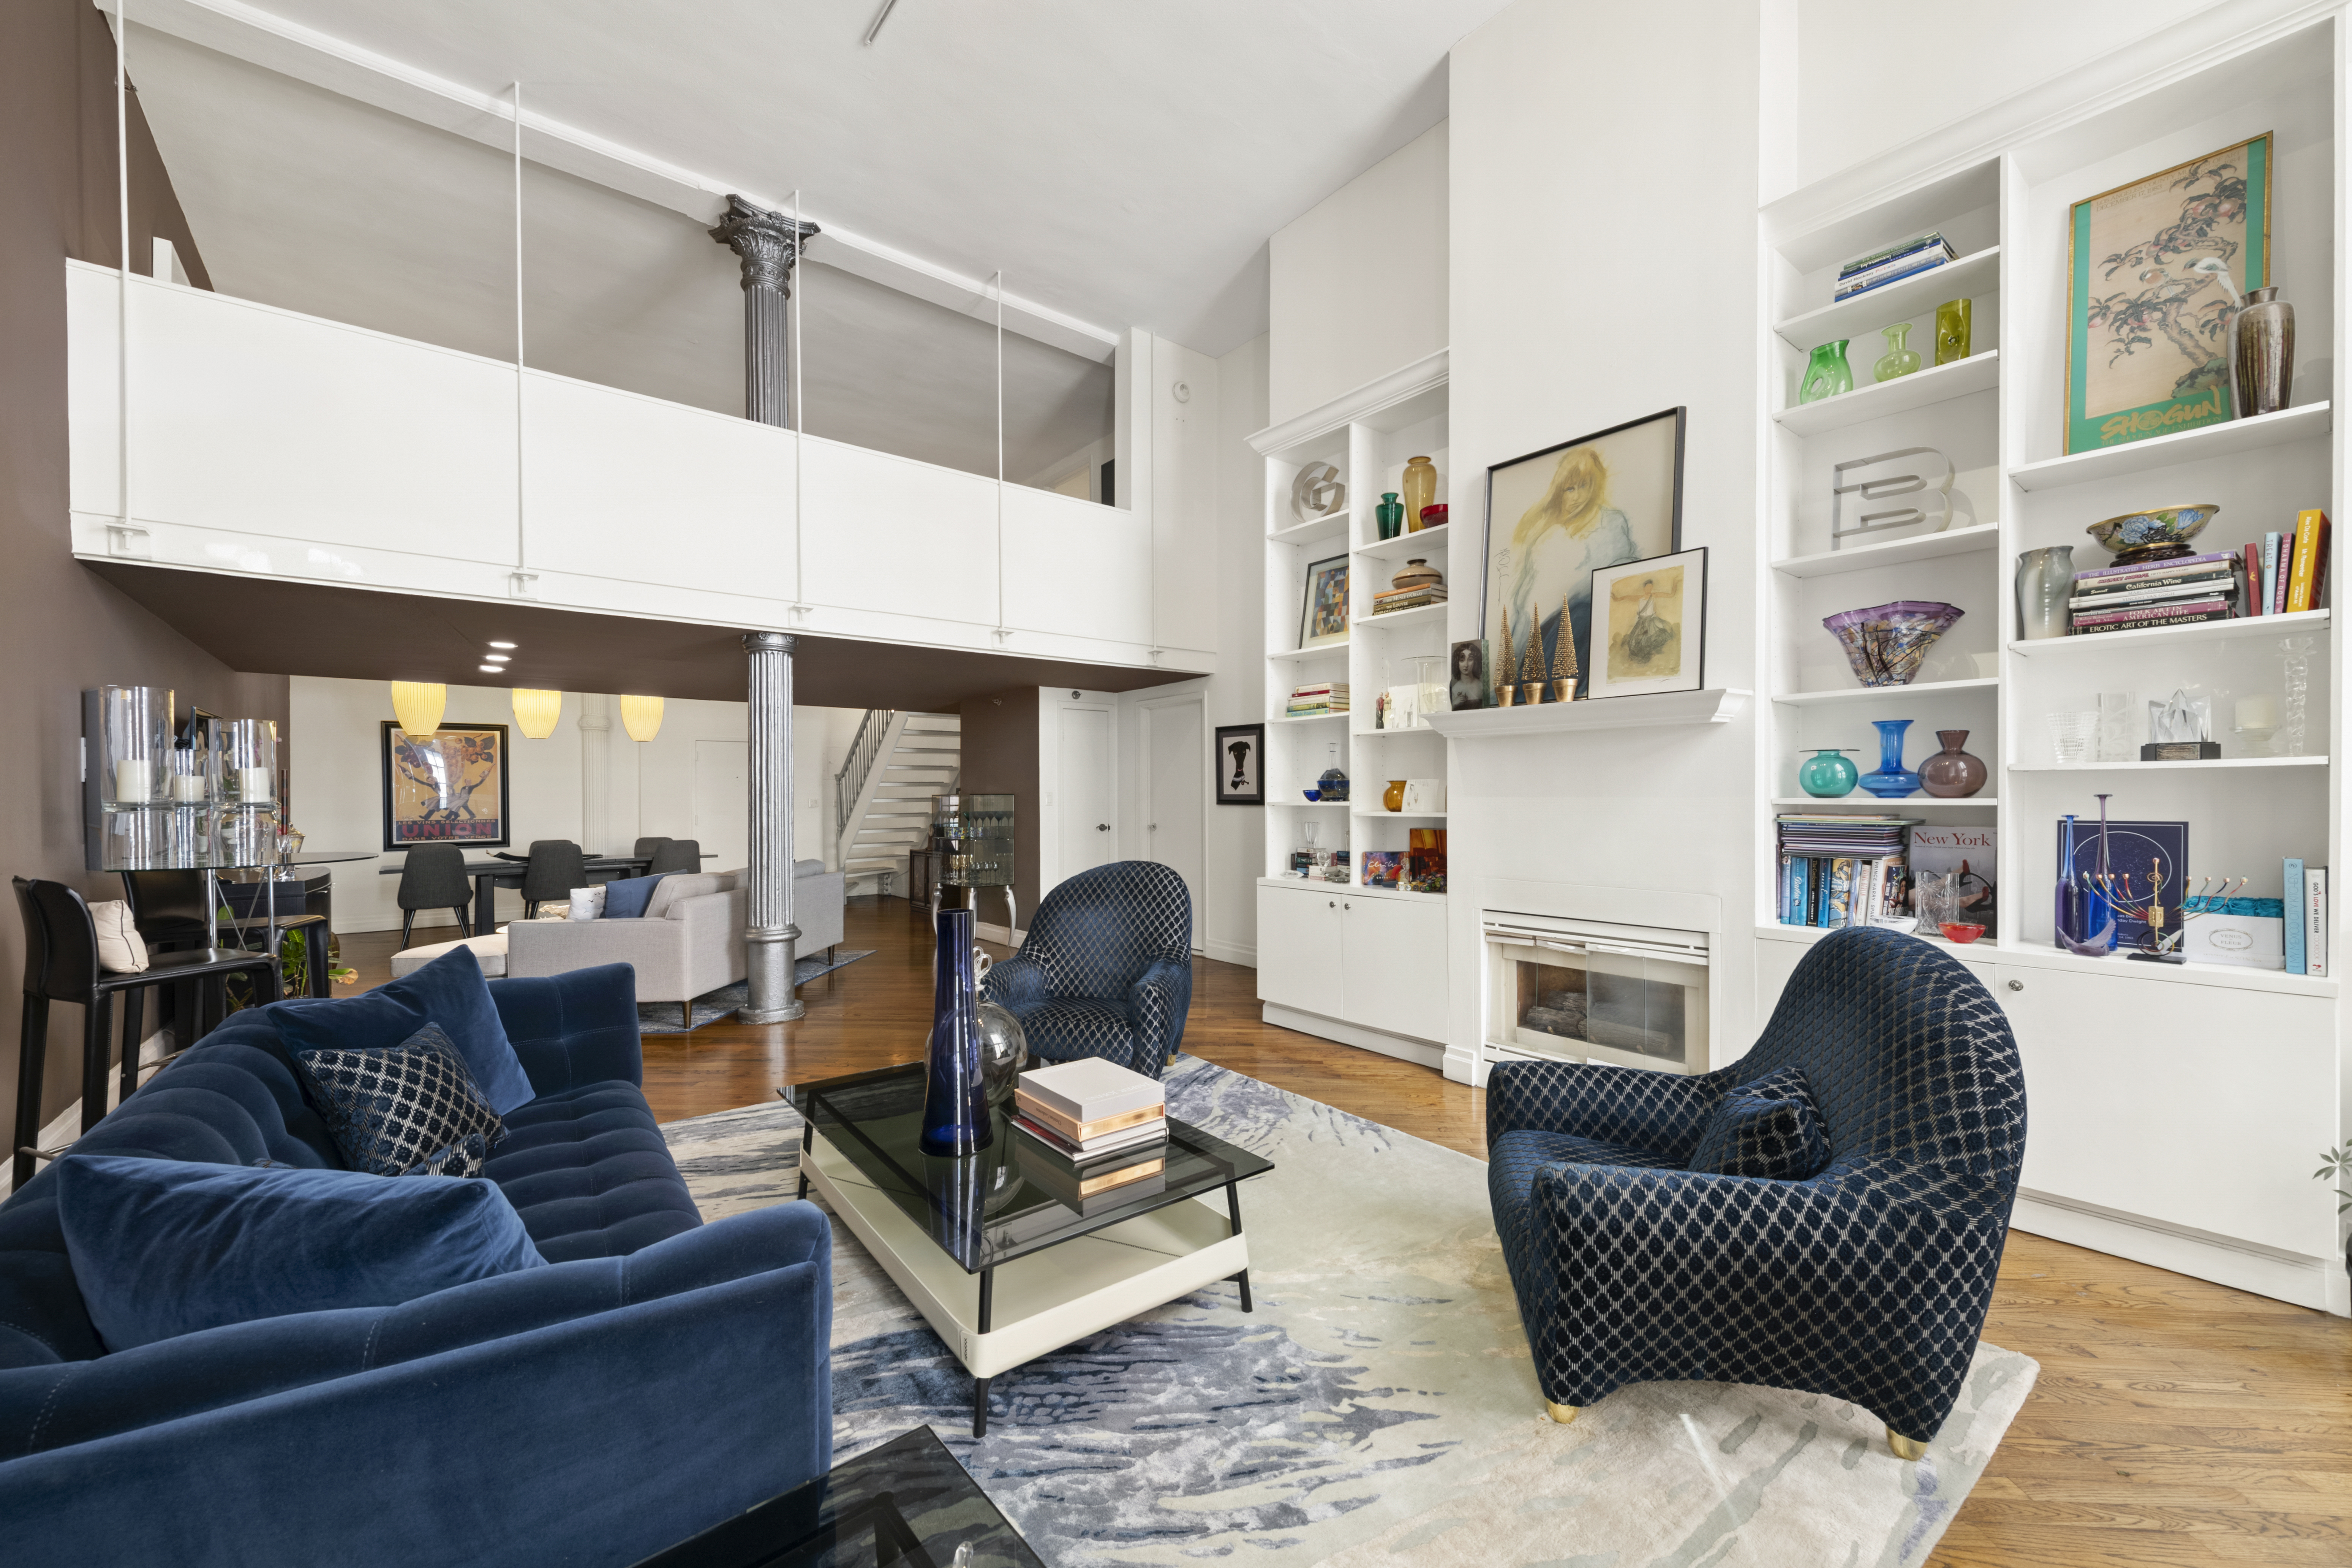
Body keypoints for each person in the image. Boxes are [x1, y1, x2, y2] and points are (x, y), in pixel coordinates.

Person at [1502, 446, 1638, 681]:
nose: (1576, 497)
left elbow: (1622, 576)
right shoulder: (1546, 536)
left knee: (1580, 615)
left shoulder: (1612, 523)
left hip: (1587, 625)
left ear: (1595, 487)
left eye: (1584, 486)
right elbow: (1523, 605)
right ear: (1560, 493)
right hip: (1544, 634)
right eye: (1570, 489)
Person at [1449, 642, 1484, 710]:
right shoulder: (1454, 689)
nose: (1466, 665)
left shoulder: (1481, 686)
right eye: (1462, 660)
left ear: (1475, 661)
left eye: (1470, 660)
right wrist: (1455, 703)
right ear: (1457, 662)